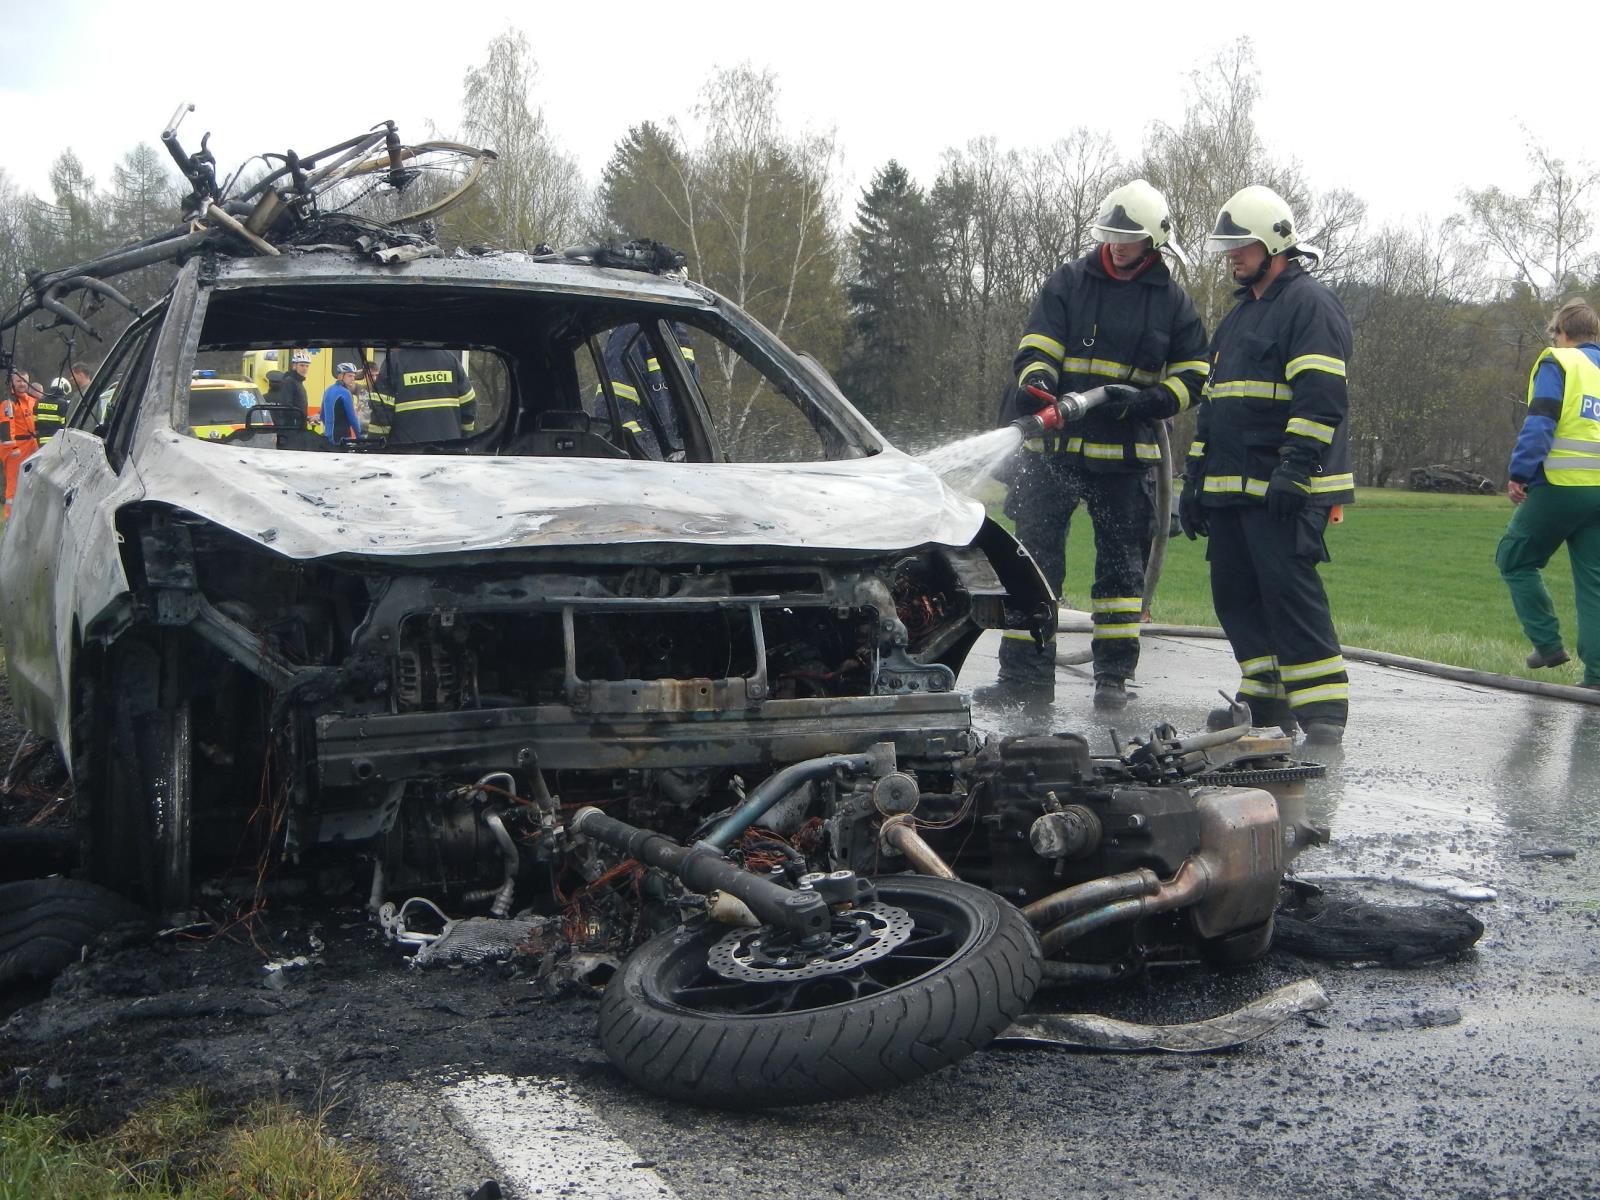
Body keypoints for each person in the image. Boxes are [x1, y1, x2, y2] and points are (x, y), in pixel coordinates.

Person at [999, 180, 1210, 709]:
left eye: (1129, 237)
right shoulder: (1069, 281)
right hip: (1054, 453)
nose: (1117, 245)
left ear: (1154, 242)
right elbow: (1038, 344)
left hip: (1125, 458)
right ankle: (1024, 678)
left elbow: (1194, 372)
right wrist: (1040, 382)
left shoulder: (1172, 301)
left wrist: (1153, 401)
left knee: (1120, 572)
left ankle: (1112, 680)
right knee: (1032, 563)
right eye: (1112, 235)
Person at [1181, 185, 1354, 746]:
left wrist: (1296, 471)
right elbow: (1215, 407)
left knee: (1288, 590)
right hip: (1232, 485)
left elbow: (1320, 399)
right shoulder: (1238, 318)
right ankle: (1264, 694)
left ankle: (1323, 710)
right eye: (1229, 247)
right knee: (1234, 592)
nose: (1233, 256)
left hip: (1285, 484)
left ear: (1275, 244)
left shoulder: (1309, 306)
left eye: (1242, 247)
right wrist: (1195, 482)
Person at [1496, 297, 1600, 690]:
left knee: (1514, 558)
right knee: (1594, 582)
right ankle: (1596, 679)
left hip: (1561, 486)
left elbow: (1541, 421)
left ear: (1563, 333)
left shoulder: (1559, 362)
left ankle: (1547, 644)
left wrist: (1520, 473)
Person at [590, 324, 697, 460]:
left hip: (681, 463)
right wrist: (644, 454)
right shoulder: (631, 334)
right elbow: (613, 407)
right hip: (646, 467)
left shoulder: (677, 333)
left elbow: (692, 405)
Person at [367, 348, 475, 443]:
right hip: (448, 452)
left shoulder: (393, 362)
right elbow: (468, 403)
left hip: (405, 455)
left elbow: (381, 414)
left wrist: (374, 446)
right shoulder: (450, 359)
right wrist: (464, 438)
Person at [1, 371, 39, 518]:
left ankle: (27, 515)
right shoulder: (8, 403)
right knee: (14, 484)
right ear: (12, 383)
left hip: (31, 446)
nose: (22, 384)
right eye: (19, 381)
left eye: (25, 381)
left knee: (32, 483)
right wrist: (13, 448)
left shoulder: (31, 401)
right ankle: (10, 518)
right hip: (16, 449)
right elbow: (5, 428)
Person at [322, 362, 363, 444]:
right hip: (342, 439)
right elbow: (353, 419)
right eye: (349, 376)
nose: (353, 379)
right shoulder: (345, 393)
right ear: (340, 376)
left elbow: (322, 416)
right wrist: (360, 439)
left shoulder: (327, 390)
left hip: (328, 439)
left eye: (354, 376)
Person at [35, 377, 72, 445]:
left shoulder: (39, 401)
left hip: (41, 441)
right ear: (63, 387)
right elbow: (65, 424)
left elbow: (35, 421)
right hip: (57, 441)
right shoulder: (63, 403)